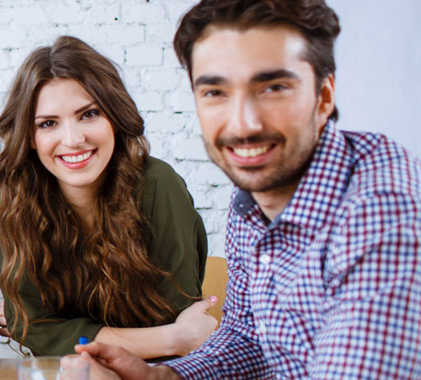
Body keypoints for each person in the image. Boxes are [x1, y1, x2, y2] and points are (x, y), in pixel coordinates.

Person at [76, 0, 421, 378]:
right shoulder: (252, 200)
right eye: (215, 92)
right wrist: (162, 376)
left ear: (323, 98)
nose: (243, 124)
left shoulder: (382, 206)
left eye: (273, 87)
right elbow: (248, 338)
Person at [0, 35, 216, 360]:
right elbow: (33, 327)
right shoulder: (20, 195)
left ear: (114, 115)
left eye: (89, 114)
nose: (73, 139)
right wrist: (170, 339)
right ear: (29, 136)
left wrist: (62, 332)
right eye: (49, 123)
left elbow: (178, 317)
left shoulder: (157, 186)